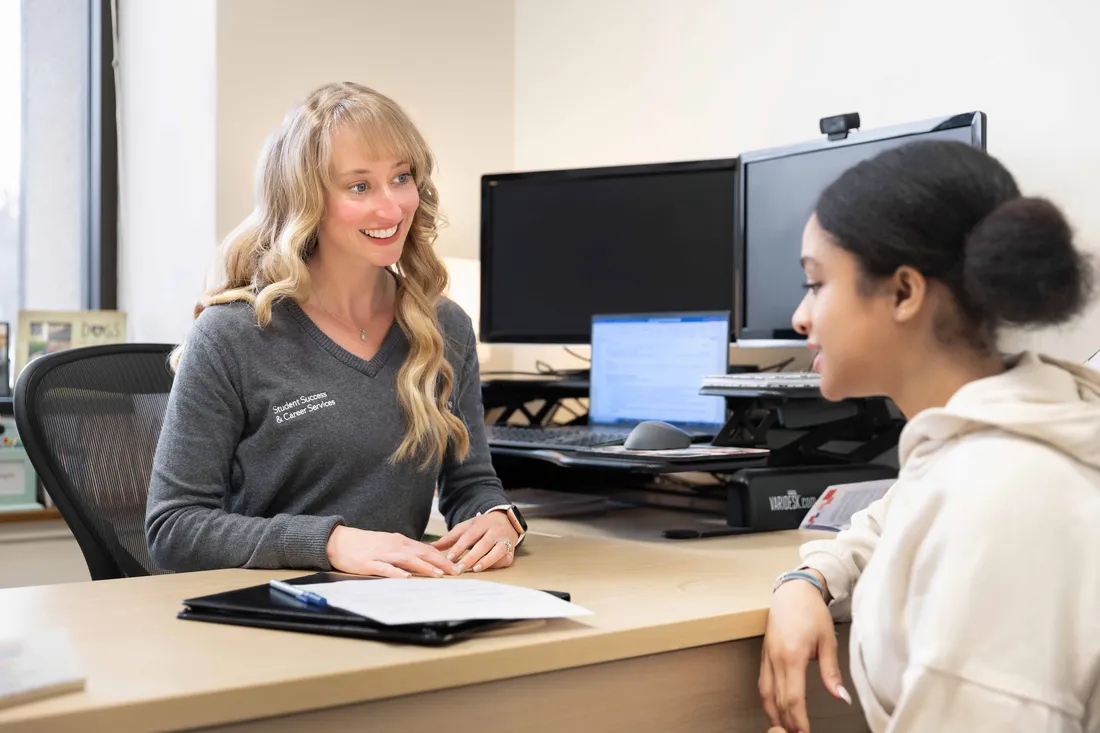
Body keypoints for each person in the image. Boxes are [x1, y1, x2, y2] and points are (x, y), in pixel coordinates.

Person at [759, 140, 1100, 732]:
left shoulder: (1001, 496)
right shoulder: (980, 438)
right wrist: (806, 580)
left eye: (816, 284)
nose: (800, 317)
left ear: (904, 292)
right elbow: (885, 523)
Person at [145, 82, 526, 578]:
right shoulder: (232, 335)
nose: (391, 209)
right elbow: (173, 530)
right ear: (307, 202)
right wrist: (328, 543)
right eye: (360, 186)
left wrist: (498, 520)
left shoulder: (444, 327)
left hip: (402, 610)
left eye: (401, 178)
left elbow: (470, 483)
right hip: (267, 615)